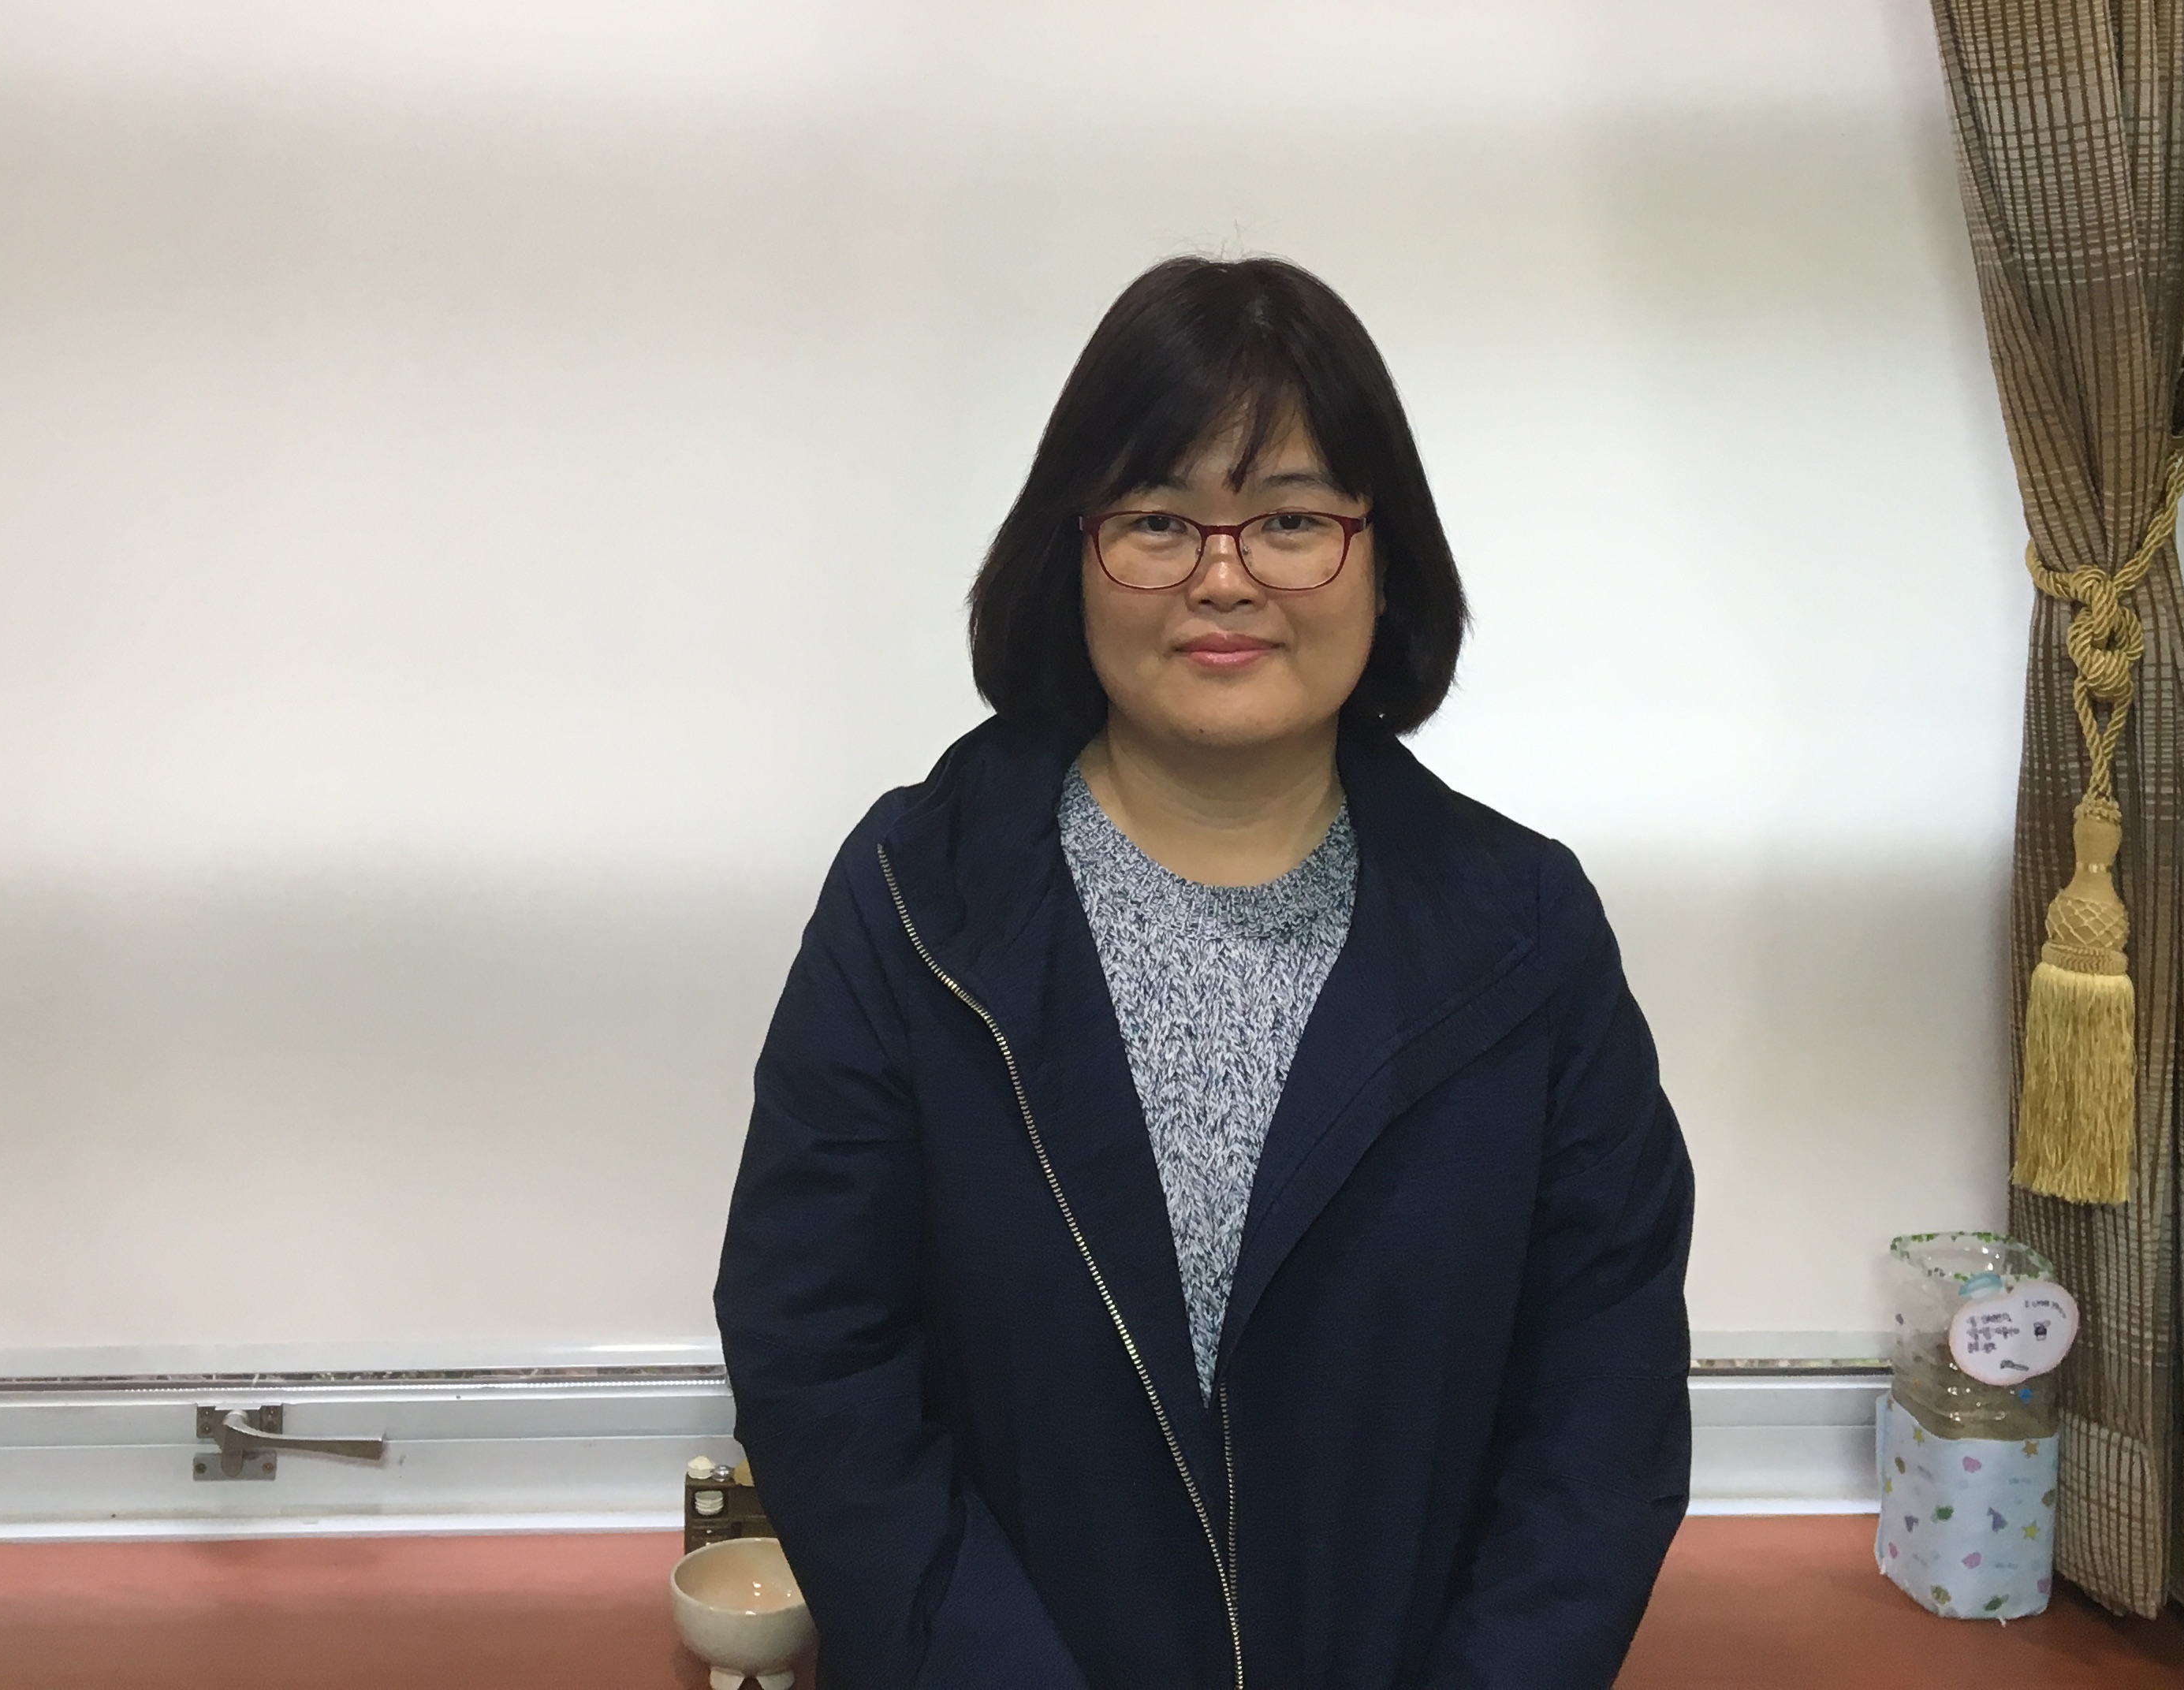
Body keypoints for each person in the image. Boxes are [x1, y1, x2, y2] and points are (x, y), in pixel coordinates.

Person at [714, 255, 1693, 1690]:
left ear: (1383, 554)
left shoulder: (1527, 935)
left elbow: (1601, 1416)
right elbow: (818, 1358)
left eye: (1291, 519)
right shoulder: (917, 902)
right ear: (1072, 553)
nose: (1222, 578)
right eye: (1159, 520)